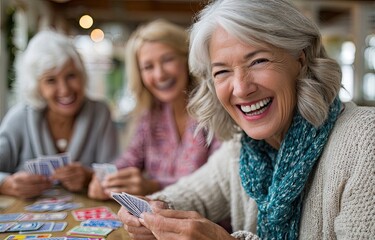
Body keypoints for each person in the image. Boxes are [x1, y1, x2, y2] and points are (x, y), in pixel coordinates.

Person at [117, 0, 375, 239]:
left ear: (300, 58)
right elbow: (186, 195)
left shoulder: (365, 140)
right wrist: (150, 209)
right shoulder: (242, 150)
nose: (241, 88)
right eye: (222, 72)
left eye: (258, 61)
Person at [88, 19, 221, 199]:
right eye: (148, 67)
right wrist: (105, 180)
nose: (159, 74)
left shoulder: (216, 110)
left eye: (167, 60)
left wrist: (153, 186)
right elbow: (129, 160)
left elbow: (218, 184)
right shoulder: (151, 114)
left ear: (187, 59)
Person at [0, 30, 119, 199]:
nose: (64, 89)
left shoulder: (100, 113)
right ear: (37, 87)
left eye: (71, 76)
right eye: (51, 80)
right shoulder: (19, 117)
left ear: (82, 75)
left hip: (87, 219)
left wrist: (89, 177)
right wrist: (6, 184)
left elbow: (117, 174)